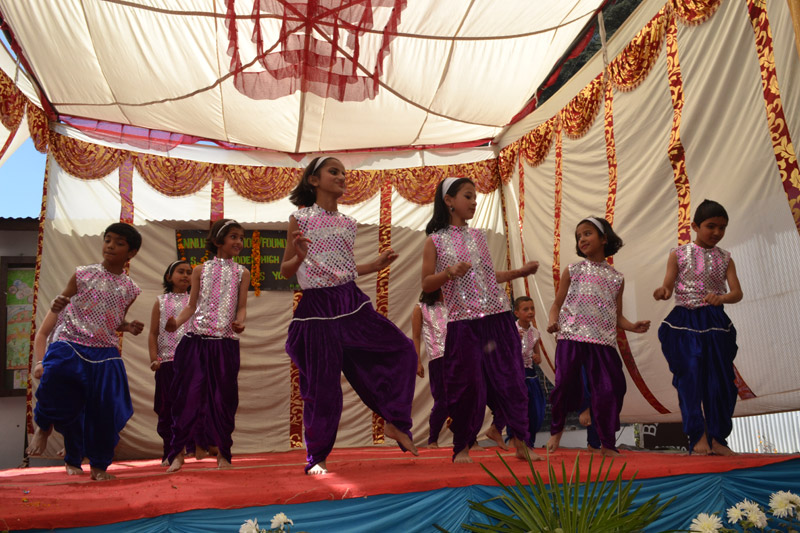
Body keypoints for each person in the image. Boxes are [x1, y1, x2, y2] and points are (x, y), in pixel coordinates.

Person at [281, 156, 418, 475]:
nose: (342, 176)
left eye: (344, 172)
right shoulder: (299, 218)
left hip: (350, 302)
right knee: (322, 388)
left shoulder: (348, 223)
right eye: (334, 171)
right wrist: (299, 257)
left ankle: (395, 422)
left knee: (403, 351)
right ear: (313, 180)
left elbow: (343, 268)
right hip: (316, 308)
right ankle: (317, 457)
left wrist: (375, 264)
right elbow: (286, 271)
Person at [421, 176, 541, 464]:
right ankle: (462, 446)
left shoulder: (478, 236)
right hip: (463, 323)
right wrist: (448, 273)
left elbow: (488, 276)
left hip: (498, 318)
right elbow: (426, 284)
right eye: (468, 196)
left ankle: (521, 442)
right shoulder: (434, 240)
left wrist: (519, 273)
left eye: (475, 197)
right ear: (449, 201)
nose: (474, 202)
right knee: (467, 386)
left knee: (512, 381)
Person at [26, 223, 144, 480]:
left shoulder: (131, 289)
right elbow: (60, 305)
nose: (110, 246)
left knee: (106, 408)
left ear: (131, 253)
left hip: (104, 351)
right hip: (72, 341)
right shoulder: (82, 274)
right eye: (108, 240)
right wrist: (57, 304)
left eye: (119, 243)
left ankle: (99, 466)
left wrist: (128, 326)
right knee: (55, 376)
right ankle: (44, 426)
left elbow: (114, 321)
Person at [546, 216, 649, 457]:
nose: (582, 239)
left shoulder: (616, 278)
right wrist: (553, 321)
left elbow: (617, 316)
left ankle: (606, 443)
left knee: (612, 388)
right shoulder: (573, 270)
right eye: (579, 236)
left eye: (587, 233)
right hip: (571, 337)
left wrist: (633, 326)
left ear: (604, 238)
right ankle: (556, 431)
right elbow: (556, 305)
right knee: (564, 385)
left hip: (602, 341)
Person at [653, 199, 742, 456]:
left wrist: (721, 298)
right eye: (711, 226)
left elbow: (737, 293)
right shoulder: (678, 254)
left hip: (715, 323)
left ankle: (718, 438)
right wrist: (663, 291)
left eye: (722, 228)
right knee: (690, 378)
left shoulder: (726, 258)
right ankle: (698, 435)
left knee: (721, 381)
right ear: (695, 226)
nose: (717, 232)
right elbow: (668, 285)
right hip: (684, 322)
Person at [164, 218, 250, 472]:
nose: (239, 242)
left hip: (225, 345)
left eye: (241, 238)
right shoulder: (200, 270)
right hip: (196, 342)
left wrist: (240, 322)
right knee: (187, 397)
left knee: (224, 400)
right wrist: (175, 323)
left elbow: (241, 307)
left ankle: (223, 454)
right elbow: (191, 306)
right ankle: (177, 453)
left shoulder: (242, 273)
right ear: (218, 240)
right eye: (233, 236)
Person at [485, 296, 547, 449]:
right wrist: (511, 340)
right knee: (516, 408)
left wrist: (537, 358)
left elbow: (538, 357)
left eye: (532, 308)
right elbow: (497, 351)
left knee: (535, 412)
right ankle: (514, 440)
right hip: (514, 373)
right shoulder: (510, 329)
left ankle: (528, 443)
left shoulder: (535, 333)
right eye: (525, 309)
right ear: (516, 313)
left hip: (530, 374)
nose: (530, 312)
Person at [147, 260, 193, 465]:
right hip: (166, 362)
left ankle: (189, 447)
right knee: (166, 407)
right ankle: (169, 451)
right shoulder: (161, 301)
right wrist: (154, 359)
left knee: (188, 405)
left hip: (189, 362)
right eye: (180, 271)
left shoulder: (195, 302)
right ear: (168, 277)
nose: (185, 275)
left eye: (189, 272)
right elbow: (153, 333)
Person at [31, 310, 83, 475]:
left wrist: (127, 327)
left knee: (83, 406)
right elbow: (42, 334)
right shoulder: (62, 305)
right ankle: (43, 427)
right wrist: (40, 362)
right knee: (52, 386)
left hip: (87, 359)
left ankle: (74, 448)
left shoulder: (101, 305)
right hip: (60, 357)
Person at [411, 289, 449, 448]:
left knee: (463, 398)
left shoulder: (450, 305)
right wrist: (417, 361)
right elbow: (416, 336)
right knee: (442, 400)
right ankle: (433, 439)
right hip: (437, 358)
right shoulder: (420, 308)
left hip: (457, 356)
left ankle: (470, 439)